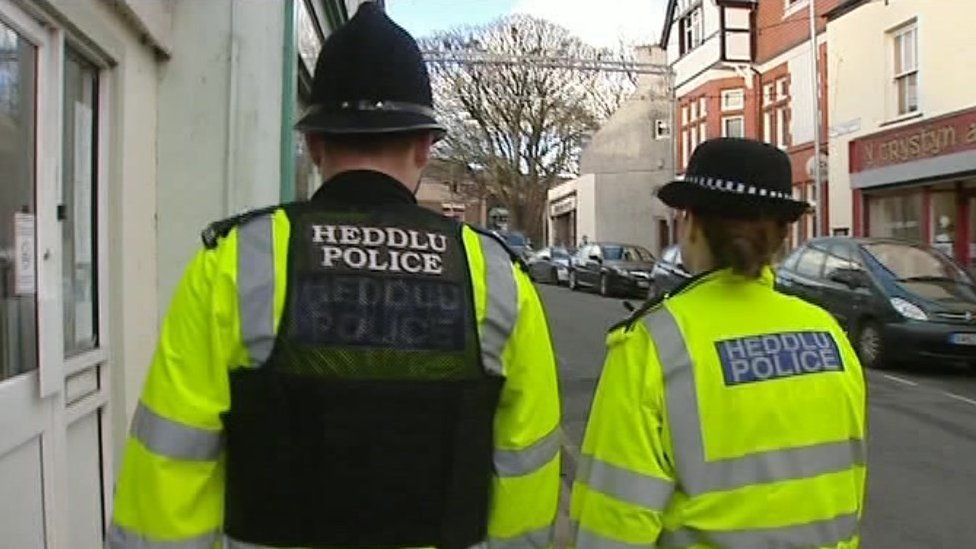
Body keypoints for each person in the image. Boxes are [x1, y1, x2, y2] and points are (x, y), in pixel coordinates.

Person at [108, 4, 561, 548]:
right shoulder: (497, 278)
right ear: (423, 146)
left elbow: (169, 470)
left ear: (315, 145)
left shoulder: (235, 262)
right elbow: (526, 474)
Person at [570, 138, 867, 548]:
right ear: (782, 234)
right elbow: (847, 486)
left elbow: (614, 518)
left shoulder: (654, 342)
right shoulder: (828, 334)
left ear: (691, 223)